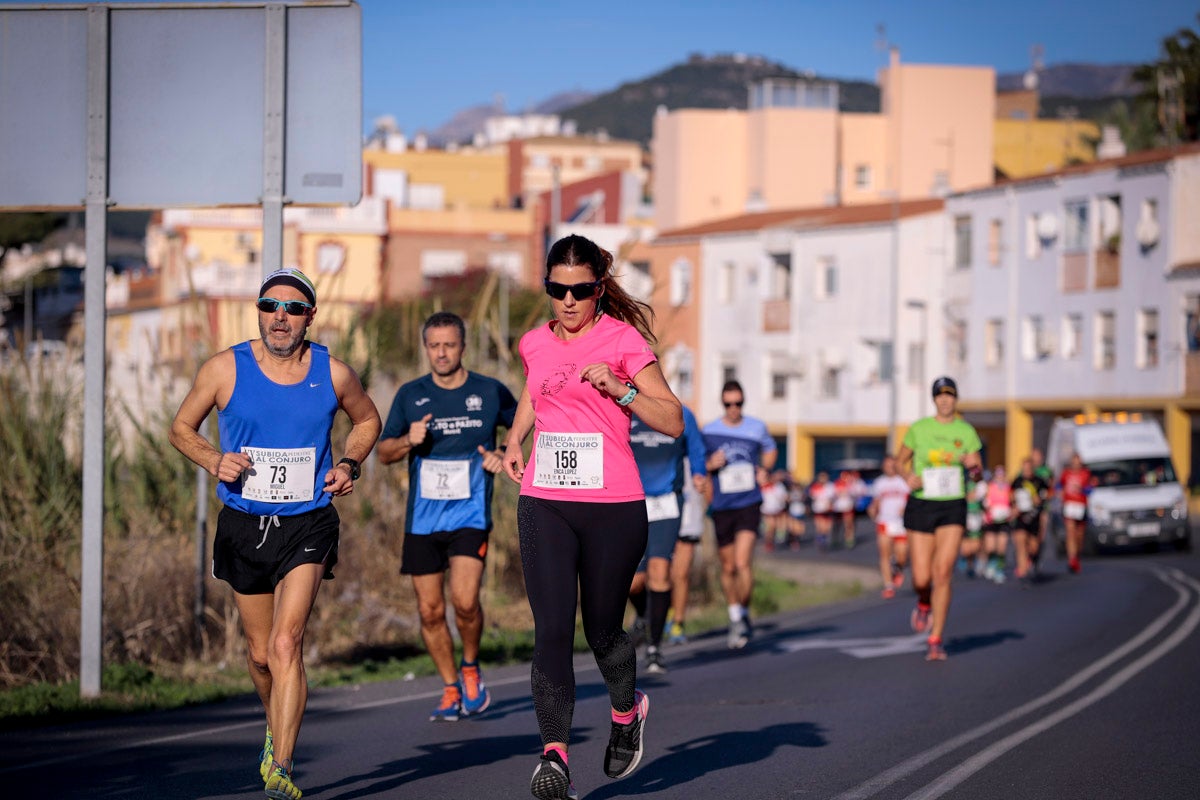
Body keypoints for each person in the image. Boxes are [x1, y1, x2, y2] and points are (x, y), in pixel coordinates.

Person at [169, 268, 381, 800]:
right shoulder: (224, 368)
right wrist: (215, 460)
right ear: (258, 312)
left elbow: (367, 421)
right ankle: (275, 725)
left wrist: (350, 464)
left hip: (308, 521)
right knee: (261, 655)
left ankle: (281, 767)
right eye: (269, 306)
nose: (279, 317)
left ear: (310, 316)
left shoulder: (333, 373)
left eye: (291, 308)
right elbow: (180, 428)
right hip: (245, 524)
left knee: (289, 643)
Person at [501, 234, 683, 800]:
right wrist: (515, 438)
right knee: (552, 629)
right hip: (546, 499)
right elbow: (539, 387)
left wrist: (622, 390)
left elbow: (673, 420)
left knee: (601, 629)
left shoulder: (624, 341)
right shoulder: (533, 341)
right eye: (558, 290)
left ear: (598, 289)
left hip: (614, 507)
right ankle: (554, 757)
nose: (569, 302)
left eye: (580, 290)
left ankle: (628, 712)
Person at [377, 312, 517, 721]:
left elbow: (525, 427)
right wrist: (408, 440)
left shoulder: (489, 392)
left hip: (470, 512)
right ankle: (450, 686)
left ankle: (471, 666)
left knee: (465, 601)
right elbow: (384, 453)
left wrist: (503, 453)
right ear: (426, 348)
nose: (441, 353)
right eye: (434, 346)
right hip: (422, 519)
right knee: (430, 611)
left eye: (449, 345)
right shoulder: (410, 394)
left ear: (463, 347)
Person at [895, 376, 983, 662]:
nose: (945, 400)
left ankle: (935, 639)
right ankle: (923, 601)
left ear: (956, 399)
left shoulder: (966, 431)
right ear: (934, 400)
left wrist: (975, 469)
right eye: (940, 396)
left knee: (943, 573)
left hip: (952, 505)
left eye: (950, 395)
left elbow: (977, 468)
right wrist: (908, 476)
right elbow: (899, 461)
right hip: (921, 503)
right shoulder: (919, 429)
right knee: (921, 576)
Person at [626, 403, 707, 673]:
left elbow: (695, 447)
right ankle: (644, 615)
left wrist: (699, 473)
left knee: (660, 573)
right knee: (632, 583)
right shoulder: (626, 408)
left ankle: (654, 647)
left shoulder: (680, 413)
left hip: (667, 503)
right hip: (630, 500)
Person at [702, 380, 778, 649]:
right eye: (728, 404)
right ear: (722, 404)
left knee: (743, 563)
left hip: (749, 502)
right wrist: (710, 464)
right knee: (729, 566)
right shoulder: (709, 431)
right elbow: (700, 462)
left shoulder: (756, 427)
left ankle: (743, 614)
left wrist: (764, 470)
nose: (734, 409)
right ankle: (735, 614)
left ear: (743, 402)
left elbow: (770, 450)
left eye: (738, 404)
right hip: (722, 505)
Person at [665, 467, 709, 645]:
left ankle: (678, 622)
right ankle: (662, 613)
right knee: (659, 574)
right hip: (660, 512)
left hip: (688, 515)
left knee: (680, 574)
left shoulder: (693, 443)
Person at [868, 455, 910, 599]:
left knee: (902, 555)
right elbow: (876, 501)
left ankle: (898, 568)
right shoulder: (879, 483)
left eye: (892, 465)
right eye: (887, 465)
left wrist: (907, 509)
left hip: (901, 523)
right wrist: (873, 508)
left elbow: (912, 499)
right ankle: (888, 585)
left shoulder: (904, 482)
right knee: (884, 554)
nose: (890, 468)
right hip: (884, 521)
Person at [1011, 456, 1051, 582]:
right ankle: (1022, 570)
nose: (1026, 471)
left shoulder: (1039, 481)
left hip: (1034, 516)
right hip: (1021, 517)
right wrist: (1013, 506)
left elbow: (1049, 493)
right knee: (1020, 540)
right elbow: (1010, 495)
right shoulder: (1017, 481)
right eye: (1024, 468)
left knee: (1034, 547)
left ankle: (1032, 560)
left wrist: (1040, 500)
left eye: (1029, 468)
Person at [1057, 452, 1094, 574]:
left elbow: (1090, 489)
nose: (1075, 464)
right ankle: (1071, 559)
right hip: (1069, 506)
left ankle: (1076, 555)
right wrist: (1059, 492)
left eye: (1078, 462)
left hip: (1081, 506)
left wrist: (1082, 490)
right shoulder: (1066, 474)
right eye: (1074, 462)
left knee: (1079, 535)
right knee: (1070, 532)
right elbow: (1058, 485)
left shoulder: (1085, 474)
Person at [981, 465, 1013, 584]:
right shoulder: (989, 487)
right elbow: (983, 502)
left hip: (1004, 521)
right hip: (991, 521)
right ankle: (991, 562)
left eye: (1002, 474)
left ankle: (999, 569)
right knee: (990, 547)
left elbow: (1013, 502)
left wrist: (1011, 511)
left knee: (1002, 547)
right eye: (998, 474)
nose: (1000, 476)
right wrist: (986, 510)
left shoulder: (1008, 488)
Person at [760, 470, 791, 551]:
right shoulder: (763, 486)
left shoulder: (778, 486)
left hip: (778, 510)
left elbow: (784, 497)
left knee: (775, 526)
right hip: (767, 511)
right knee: (770, 527)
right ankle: (768, 542)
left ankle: (775, 539)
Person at [807, 470, 836, 549]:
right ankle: (821, 539)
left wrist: (830, 504)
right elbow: (811, 497)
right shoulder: (815, 486)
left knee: (827, 527)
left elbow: (832, 497)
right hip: (818, 509)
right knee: (820, 526)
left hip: (828, 510)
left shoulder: (830, 486)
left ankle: (823, 537)